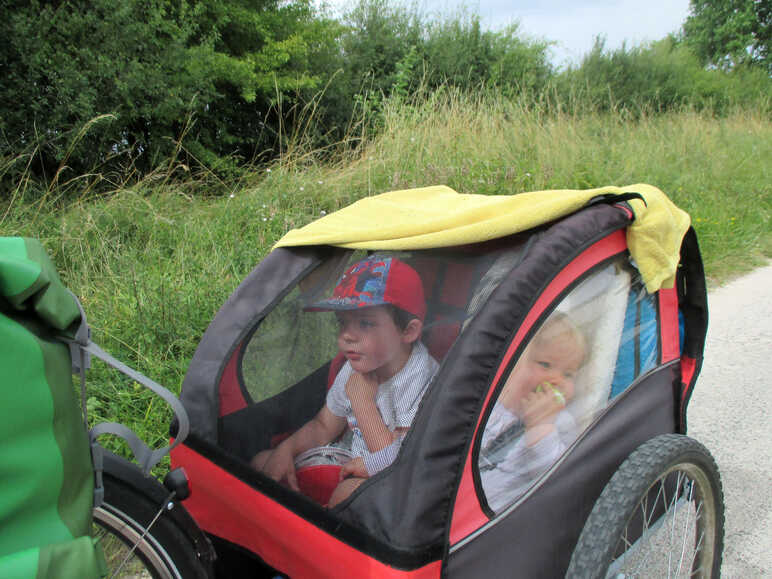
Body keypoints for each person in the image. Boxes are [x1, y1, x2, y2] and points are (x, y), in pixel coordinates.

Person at [251, 255, 439, 507]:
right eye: (343, 322)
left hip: (391, 480)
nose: (347, 336)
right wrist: (287, 449)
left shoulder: (420, 380)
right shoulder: (358, 362)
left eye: (365, 323)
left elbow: (399, 464)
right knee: (265, 462)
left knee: (347, 493)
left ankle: (318, 533)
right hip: (348, 461)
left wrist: (362, 401)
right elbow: (323, 426)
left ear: (408, 331)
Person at [479, 312, 587, 513]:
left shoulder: (560, 422)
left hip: (495, 516)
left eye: (568, 374)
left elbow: (555, 479)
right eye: (545, 365)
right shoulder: (495, 399)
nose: (556, 380)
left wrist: (542, 426)